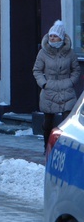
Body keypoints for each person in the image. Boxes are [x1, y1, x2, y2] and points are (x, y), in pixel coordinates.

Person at [33, 20, 80, 153]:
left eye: (55, 36)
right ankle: (47, 147)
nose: (52, 38)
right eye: (51, 35)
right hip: (49, 91)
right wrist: (44, 83)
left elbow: (76, 70)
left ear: (61, 37)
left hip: (66, 90)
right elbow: (37, 70)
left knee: (67, 122)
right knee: (48, 123)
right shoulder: (43, 53)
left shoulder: (70, 53)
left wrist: (70, 82)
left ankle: (64, 149)